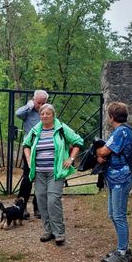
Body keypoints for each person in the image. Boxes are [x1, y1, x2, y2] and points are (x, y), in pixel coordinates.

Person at [22, 103, 83, 246]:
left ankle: (59, 233)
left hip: (55, 172)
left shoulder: (61, 128)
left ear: (53, 115)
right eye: (42, 114)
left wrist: (71, 159)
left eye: (47, 114)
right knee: (42, 201)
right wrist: (30, 160)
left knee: (53, 201)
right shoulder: (36, 130)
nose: (44, 116)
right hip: (38, 173)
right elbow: (26, 144)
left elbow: (78, 141)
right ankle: (48, 231)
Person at [95, 102, 132, 262]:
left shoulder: (121, 132)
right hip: (115, 178)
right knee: (113, 214)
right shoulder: (125, 130)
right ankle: (123, 248)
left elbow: (104, 151)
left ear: (111, 117)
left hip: (121, 179)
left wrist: (98, 152)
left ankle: (122, 253)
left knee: (119, 215)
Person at [15, 89, 49, 218]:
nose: (40, 106)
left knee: (41, 179)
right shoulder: (28, 112)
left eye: (43, 103)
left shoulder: (47, 113)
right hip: (29, 148)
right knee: (28, 178)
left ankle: (38, 207)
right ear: (34, 100)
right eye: (38, 102)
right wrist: (30, 106)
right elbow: (18, 113)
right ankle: (21, 207)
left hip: (44, 149)